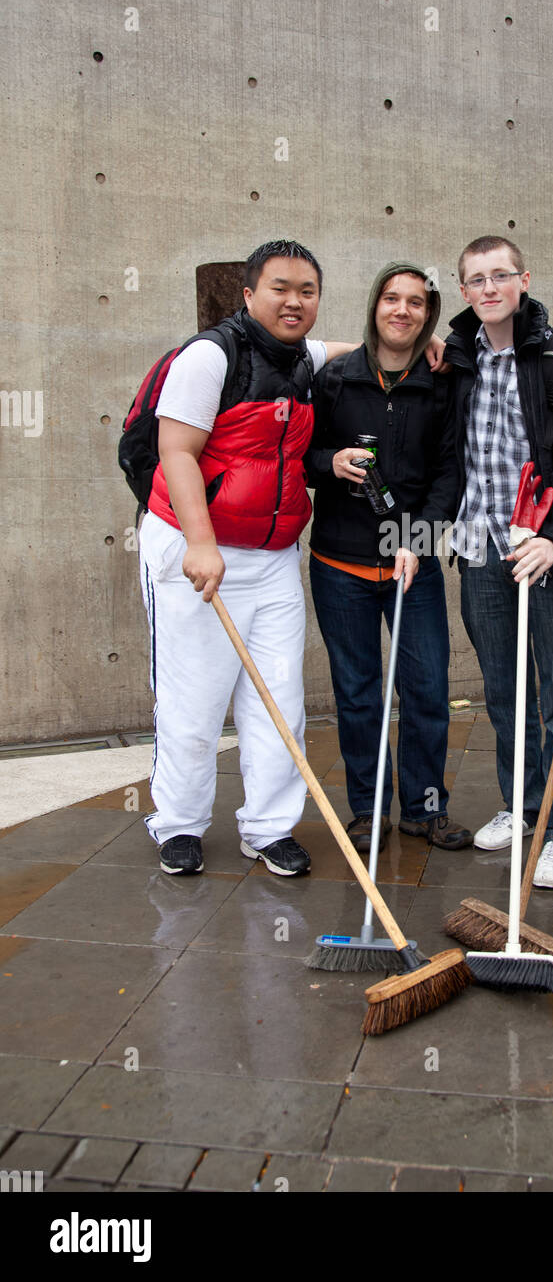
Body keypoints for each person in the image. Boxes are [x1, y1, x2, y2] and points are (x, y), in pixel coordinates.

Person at [139, 239, 360, 877]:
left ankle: (267, 828)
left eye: (307, 291)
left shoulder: (303, 357)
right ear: (248, 294)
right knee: (194, 698)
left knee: (278, 699)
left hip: (272, 557)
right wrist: (201, 545)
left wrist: (412, 346)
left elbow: (348, 351)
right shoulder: (209, 356)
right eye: (280, 289)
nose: (294, 302)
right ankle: (177, 823)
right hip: (196, 548)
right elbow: (177, 452)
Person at [444, 236, 553, 888]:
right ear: (463, 290)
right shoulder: (453, 360)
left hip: (545, 551)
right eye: (476, 279)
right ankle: (522, 806)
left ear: (523, 280)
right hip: (480, 547)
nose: (489, 288)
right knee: (504, 689)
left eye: (500, 275)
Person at [305, 262, 471, 851]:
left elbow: (452, 473)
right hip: (339, 565)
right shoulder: (336, 379)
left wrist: (419, 539)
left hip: (413, 565)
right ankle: (368, 810)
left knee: (425, 689)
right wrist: (330, 462)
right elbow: (301, 455)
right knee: (357, 693)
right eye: (392, 299)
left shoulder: (443, 382)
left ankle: (425, 810)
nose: (403, 310)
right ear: (375, 304)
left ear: (429, 315)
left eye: (417, 303)